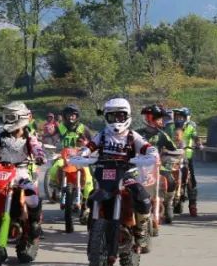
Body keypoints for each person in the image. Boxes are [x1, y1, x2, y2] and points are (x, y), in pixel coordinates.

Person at [83, 98, 159, 253]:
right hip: (105, 174)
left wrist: (151, 153)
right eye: (112, 116)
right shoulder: (102, 135)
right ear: (106, 117)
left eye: (120, 116)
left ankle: (141, 230)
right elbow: (89, 148)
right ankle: (94, 234)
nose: (117, 120)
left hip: (127, 174)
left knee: (143, 198)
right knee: (91, 199)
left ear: (127, 116)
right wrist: (82, 155)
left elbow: (147, 147)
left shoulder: (132, 136)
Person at [0, 102, 46, 240]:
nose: (7, 120)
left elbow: (36, 147)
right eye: (6, 117)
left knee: (32, 197)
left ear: (21, 118)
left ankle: (34, 222)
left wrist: (39, 156)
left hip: (21, 172)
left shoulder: (29, 136)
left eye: (11, 117)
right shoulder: (1, 135)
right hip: (3, 171)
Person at [45, 104, 94, 204]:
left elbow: (93, 140)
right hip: (63, 156)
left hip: (80, 158)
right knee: (54, 169)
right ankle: (54, 188)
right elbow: (50, 137)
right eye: (68, 115)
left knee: (89, 177)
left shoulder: (83, 128)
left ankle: (86, 201)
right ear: (65, 116)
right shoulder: (60, 127)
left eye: (73, 115)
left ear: (77, 116)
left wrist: (87, 145)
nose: (71, 117)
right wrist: (49, 145)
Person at [168, 107, 199, 216]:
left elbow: (195, 137)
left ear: (187, 118)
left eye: (181, 117)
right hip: (171, 156)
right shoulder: (170, 126)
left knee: (190, 179)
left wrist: (198, 143)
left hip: (186, 157)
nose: (178, 119)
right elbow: (164, 137)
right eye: (177, 117)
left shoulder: (191, 126)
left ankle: (192, 204)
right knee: (166, 176)